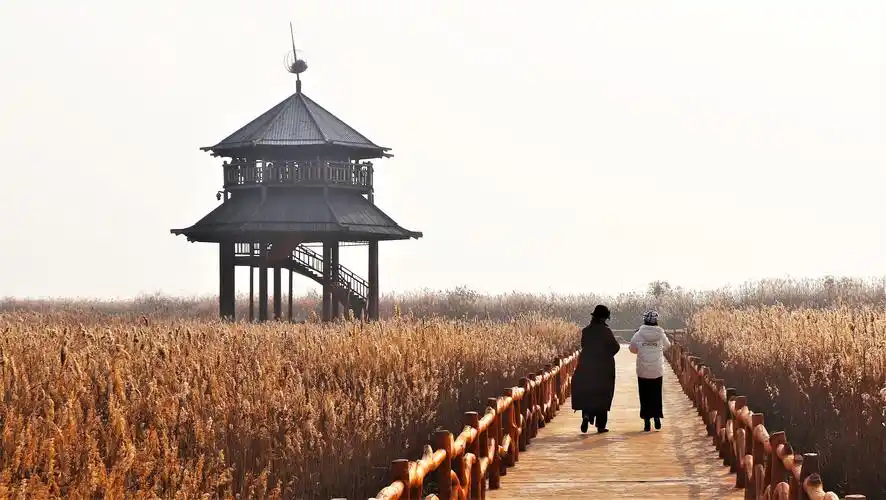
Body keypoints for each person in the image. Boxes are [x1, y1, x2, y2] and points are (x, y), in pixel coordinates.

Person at [571, 305, 621, 433]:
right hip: (604, 367)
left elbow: (583, 345)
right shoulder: (606, 331)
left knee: (589, 392)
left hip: (586, 365)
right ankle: (601, 425)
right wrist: (607, 354)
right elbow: (615, 347)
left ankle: (586, 415)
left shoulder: (586, 330)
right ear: (604, 318)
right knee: (603, 394)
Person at [628, 310, 672, 432]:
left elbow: (632, 348)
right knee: (656, 394)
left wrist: (641, 350)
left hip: (643, 370)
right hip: (657, 370)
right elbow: (668, 345)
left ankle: (647, 422)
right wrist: (658, 349)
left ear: (644, 320)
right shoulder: (660, 333)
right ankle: (657, 416)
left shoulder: (639, 334)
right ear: (656, 321)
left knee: (645, 395)